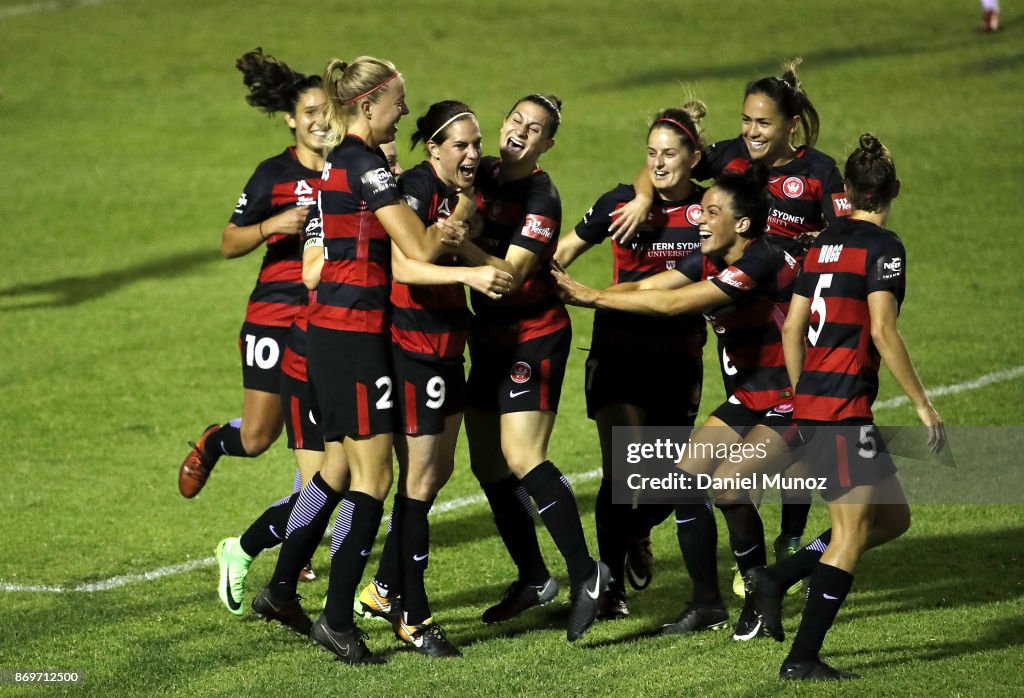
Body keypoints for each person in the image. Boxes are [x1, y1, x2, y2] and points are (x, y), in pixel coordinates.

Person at [248, 56, 482, 666]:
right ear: (368, 104)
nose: (403, 111)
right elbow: (420, 245)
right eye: (398, 102)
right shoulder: (362, 165)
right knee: (373, 479)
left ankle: (279, 588)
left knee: (333, 468)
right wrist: (459, 210)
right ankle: (335, 617)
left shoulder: (342, 166)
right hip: (353, 337)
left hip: (330, 331)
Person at [610, 59, 849, 584]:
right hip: (746, 314)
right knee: (729, 450)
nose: (751, 131)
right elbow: (667, 159)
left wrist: (816, 250)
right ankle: (742, 568)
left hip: (797, 310)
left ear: (790, 125)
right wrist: (645, 195)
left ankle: (788, 542)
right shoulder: (732, 158)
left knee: (784, 435)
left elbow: (847, 237)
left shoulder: (820, 173)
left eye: (763, 123)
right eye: (746, 120)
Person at [553, 164, 800, 639]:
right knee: (686, 479)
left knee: (727, 487)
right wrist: (571, 292)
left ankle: (757, 594)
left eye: (711, 212)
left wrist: (586, 297)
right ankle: (707, 603)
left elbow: (672, 306)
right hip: (751, 397)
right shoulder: (711, 256)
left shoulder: (761, 260)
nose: (700, 220)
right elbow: (648, 288)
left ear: (742, 224)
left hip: (794, 398)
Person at [745, 133, 945, 681]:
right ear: (893, 190)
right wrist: (924, 405)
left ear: (849, 191)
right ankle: (802, 659)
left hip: (820, 403)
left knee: (892, 519)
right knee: (852, 534)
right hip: (840, 411)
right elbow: (883, 330)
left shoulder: (823, 243)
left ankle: (777, 577)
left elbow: (791, 327)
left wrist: (801, 388)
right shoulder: (885, 249)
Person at [355, 101, 513, 658]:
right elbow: (404, 265)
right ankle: (412, 615)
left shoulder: (455, 194)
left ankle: (383, 588)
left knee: (437, 470)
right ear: (435, 149)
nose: (473, 154)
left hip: (446, 342)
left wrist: (466, 219)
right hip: (414, 346)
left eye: (476, 144)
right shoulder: (417, 188)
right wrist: (473, 270)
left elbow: (452, 230)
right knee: (418, 481)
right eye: (461, 146)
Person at [455, 94, 610, 642]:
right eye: (516, 120)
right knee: (487, 464)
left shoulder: (542, 197)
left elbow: (512, 277)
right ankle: (533, 577)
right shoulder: (483, 173)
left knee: (523, 455)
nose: (521, 131)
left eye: (535, 128)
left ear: (547, 144)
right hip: (489, 336)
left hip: (533, 336)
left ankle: (588, 573)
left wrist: (462, 243)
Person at [552, 101, 709, 618]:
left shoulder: (710, 212)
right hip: (617, 352)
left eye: (669, 154)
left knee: (670, 477)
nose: (660, 164)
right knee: (622, 471)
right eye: (651, 154)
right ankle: (611, 586)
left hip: (677, 356)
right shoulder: (621, 203)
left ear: (694, 157)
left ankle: (640, 530)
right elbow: (560, 254)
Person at [178, 48, 327, 498]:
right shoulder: (274, 174)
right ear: (290, 119)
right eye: (310, 112)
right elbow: (228, 243)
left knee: (321, 434)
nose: (321, 121)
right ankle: (214, 441)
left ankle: (297, 535)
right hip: (275, 316)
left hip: (329, 316)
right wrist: (271, 226)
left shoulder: (352, 168)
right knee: (258, 437)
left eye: (328, 112)